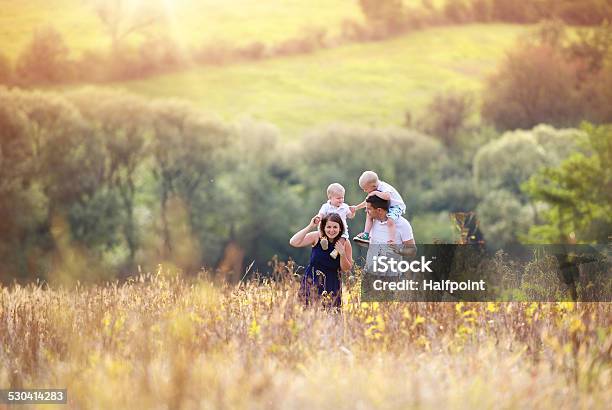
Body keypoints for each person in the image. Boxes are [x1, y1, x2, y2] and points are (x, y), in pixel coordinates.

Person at [289, 213, 353, 307]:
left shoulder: (345, 242)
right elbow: (293, 242)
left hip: (332, 284)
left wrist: (342, 254)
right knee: (307, 315)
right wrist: (311, 226)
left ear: (340, 228)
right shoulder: (317, 237)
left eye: (335, 227)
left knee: (331, 316)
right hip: (311, 281)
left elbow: (346, 269)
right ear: (323, 227)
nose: (331, 230)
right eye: (328, 227)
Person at [351, 171, 406, 244]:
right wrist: (356, 208)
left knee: (390, 220)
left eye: (366, 189)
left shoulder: (383, 187)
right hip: (386, 206)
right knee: (369, 213)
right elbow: (367, 202)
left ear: (373, 186)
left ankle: (392, 240)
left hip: (396, 206)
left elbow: (387, 197)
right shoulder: (374, 189)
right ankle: (366, 234)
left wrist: (376, 193)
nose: (364, 191)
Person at [317, 183, 355, 253]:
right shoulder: (326, 206)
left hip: (341, 229)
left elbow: (350, 216)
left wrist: (352, 212)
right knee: (320, 226)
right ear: (330, 198)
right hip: (327, 227)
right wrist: (318, 218)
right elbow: (321, 214)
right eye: (338, 198)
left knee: (343, 238)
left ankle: (336, 251)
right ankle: (323, 240)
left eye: (342, 197)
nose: (341, 200)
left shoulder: (345, 206)